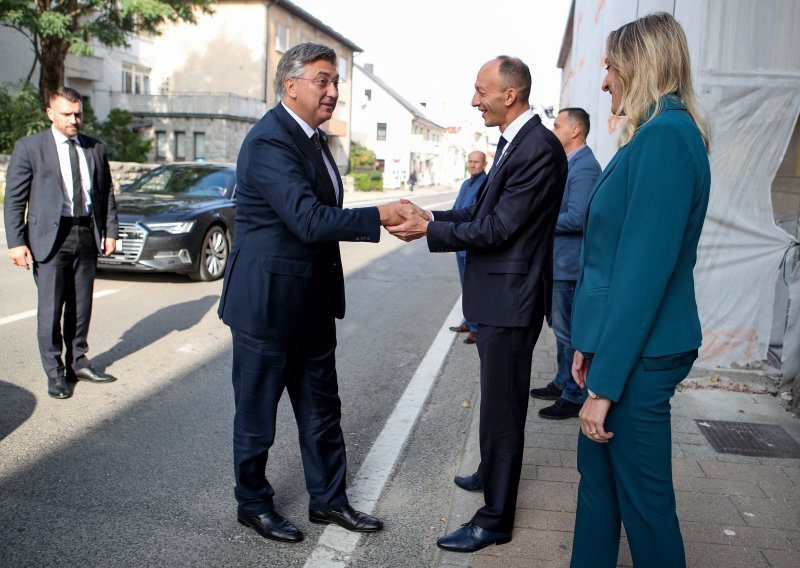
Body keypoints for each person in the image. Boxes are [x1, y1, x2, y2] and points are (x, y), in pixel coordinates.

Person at [216, 42, 414, 544]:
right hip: (266, 306)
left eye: (336, 82)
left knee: (323, 412)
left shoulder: (314, 139)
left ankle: (329, 501)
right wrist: (382, 214)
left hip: (311, 306)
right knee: (258, 416)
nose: (333, 91)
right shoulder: (269, 142)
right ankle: (253, 504)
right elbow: (306, 220)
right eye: (323, 80)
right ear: (291, 85)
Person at [388, 55, 567, 552]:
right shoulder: (516, 143)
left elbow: (498, 228)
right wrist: (431, 214)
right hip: (497, 299)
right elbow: (477, 210)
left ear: (509, 95)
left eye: (479, 91)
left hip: (512, 301)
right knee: (496, 404)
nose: (473, 101)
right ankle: (493, 472)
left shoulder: (537, 148)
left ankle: (494, 520)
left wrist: (429, 229)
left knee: (503, 413)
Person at [569, 13, 710, 568]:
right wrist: (590, 345)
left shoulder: (667, 138)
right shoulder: (653, 136)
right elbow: (612, 263)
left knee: (647, 510)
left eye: (610, 67)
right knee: (597, 490)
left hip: (642, 357)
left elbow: (641, 276)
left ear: (641, 65)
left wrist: (605, 383)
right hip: (622, 350)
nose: (604, 81)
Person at [4, 86, 119, 400]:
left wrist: (110, 231)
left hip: (85, 233)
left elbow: (106, 193)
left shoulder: (95, 148)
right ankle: (55, 373)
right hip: (49, 238)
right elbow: (14, 200)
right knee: (51, 309)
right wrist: (15, 242)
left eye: (78, 113)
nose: (74, 120)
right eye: (67, 114)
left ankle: (78, 362)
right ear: (50, 113)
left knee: (81, 306)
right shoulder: (30, 147)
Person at [530, 108, 600, 419]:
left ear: (575, 131)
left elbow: (578, 217)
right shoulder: (570, 163)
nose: (552, 129)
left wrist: (538, 218)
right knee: (561, 330)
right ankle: (562, 381)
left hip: (568, 265)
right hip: (558, 263)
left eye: (557, 125)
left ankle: (574, 394)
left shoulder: (584, 167)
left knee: (569, 332)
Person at [447, 150, 487, 345]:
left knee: (474, 287)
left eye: (476, 162)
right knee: (465, 285)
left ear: (484, 164)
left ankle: (476, 328)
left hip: (471, 242)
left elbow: (473, 213)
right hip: (460, 242)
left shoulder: (486, 184)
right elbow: (456, 209)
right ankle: (469, 321)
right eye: (470, 161)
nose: (472, 165)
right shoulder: (466, 183)